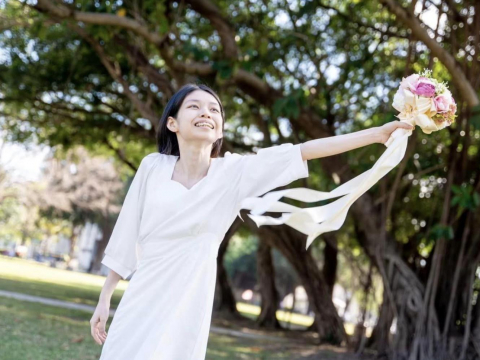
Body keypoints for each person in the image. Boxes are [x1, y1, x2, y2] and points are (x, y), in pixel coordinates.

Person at [90, 83, 413, 359]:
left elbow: (303, 151)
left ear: (220, 129)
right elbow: (127, 230)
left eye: (214, 110)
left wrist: (377, 134)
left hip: (189, 297)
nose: (206, 113)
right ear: (173, 123)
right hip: (143, 293)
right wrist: (105, 298)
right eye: (195, 106)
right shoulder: (152, 166)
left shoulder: (234, 173)